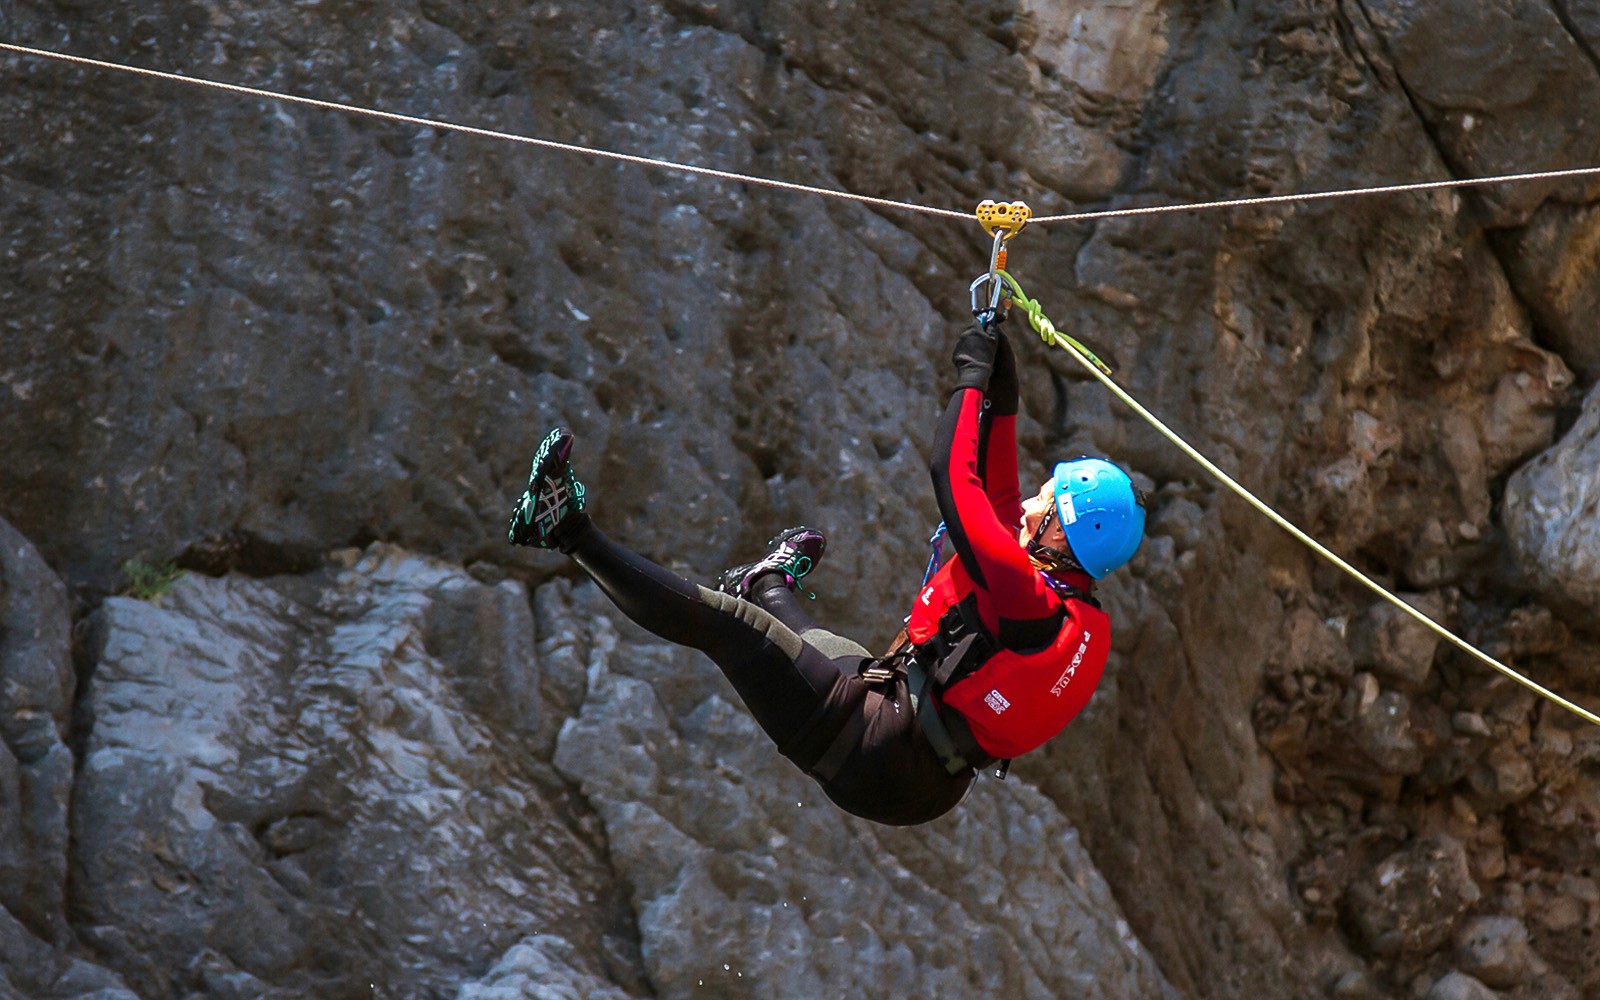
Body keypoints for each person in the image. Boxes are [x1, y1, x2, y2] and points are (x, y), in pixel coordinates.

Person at [507, 320, 1145, 826]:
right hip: (910, 752)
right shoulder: (1065, 605)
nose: (1032, 502)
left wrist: (969, 383)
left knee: (732, 632)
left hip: (879, 744)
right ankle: (765, 581)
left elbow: (956, 480)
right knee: (800, 637)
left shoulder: (1027, 600)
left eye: (1047, 502)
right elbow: (1004, 503)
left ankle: (562, 528)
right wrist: (1003, 396)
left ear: (1064, 531)